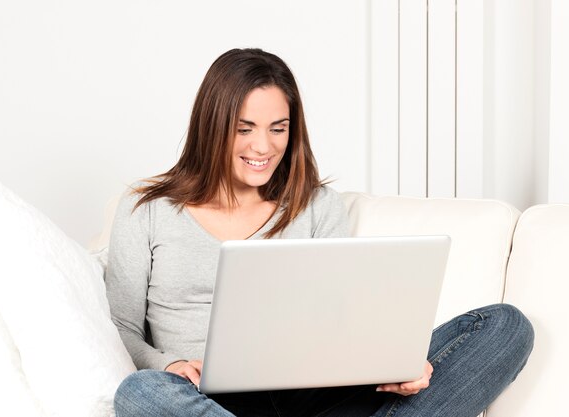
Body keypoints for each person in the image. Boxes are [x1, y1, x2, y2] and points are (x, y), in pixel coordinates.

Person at [105, 48, 534, 417]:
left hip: (322, 398)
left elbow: (339, 319)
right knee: (140, 394)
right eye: (244, 128)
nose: (263, 147)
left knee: (505, 326)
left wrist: (393, 363)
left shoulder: (316, 206)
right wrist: (168, 365)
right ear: (212, 125)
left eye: (278, 128)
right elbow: (121, 326)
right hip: (210, 400)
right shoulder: (148, 208)